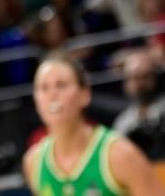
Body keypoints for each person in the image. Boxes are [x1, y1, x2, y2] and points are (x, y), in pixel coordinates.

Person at [23, 52, 163, 195]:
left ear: (85, 94)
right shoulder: (33, 162)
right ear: (35, 99)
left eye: (61, 85)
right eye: (43, 88)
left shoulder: (120, 154)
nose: (52, 94)